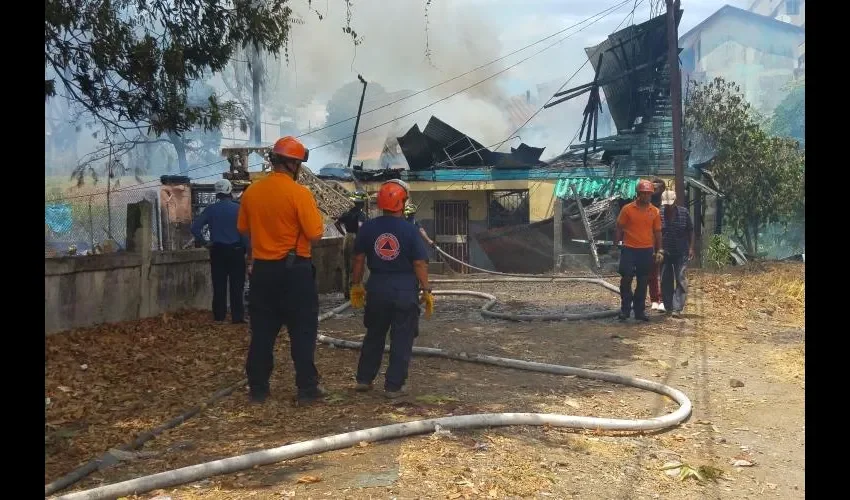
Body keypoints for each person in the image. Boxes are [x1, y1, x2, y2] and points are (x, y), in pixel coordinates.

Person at [237, 136, 326, 404]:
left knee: (262, 333)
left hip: (262, 272)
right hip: (294, 271)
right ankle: (307, 390)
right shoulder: (300, 194)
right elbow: (315, 232)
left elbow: (243, 228)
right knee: (302, 332)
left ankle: (258, 389)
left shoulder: (252, 192)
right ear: (293, 164)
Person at [349, 180, 434, 399]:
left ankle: (364, 379)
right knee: (402, 337)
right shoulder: (410, 229)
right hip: (404, 288)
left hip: (377, 286)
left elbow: (358, 259)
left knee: (374, 334)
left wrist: (356, 284)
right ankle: (393, 386)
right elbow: (419, 263)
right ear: (402, 203)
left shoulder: (368, 227)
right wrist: (426, 289)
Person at [191, 179, 249, 324]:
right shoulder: (238, 209)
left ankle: (219, 316)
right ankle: (237, 317)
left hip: (217, 251)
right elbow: (245, 232)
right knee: (237, 285)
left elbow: (195, 227)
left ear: (217, 193)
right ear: (230, 190)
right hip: (236, 251)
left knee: (219, 285)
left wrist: (205, 242)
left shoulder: (211, 209)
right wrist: (248, 250)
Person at [615, 179, 663, 322]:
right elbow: (619, 227)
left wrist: (659, 250)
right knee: (626, 279)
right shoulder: (627, 209)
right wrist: (615, 244)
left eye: (648, 194)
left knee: (643, 281)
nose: (646, 196)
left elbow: (658, 232)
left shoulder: (654, 211)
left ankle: (639, 311)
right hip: (629, 249)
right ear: (638, 194)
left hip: (646, 250)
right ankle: (625, 310)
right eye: (643, 193)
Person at [659, 190, 695, 318]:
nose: (668, 206)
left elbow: (690, 230)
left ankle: (677, 308)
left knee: (680, 278)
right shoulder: (659, 213)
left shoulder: (684, 213)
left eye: (670, 204)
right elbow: (656, 233)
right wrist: (657, 250)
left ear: (675, 201)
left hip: (681, 251)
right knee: (665, 280)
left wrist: (691, 248)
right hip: (665, 252)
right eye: (666, 204)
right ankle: (668, 306)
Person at [336, 191, 369, 299]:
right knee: (357, 265)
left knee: (346, 265)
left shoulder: (347, 213)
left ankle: (346, 292)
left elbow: (336, 223)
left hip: (347, 238)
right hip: (356, 238)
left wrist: (344, 234)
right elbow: (360, 227)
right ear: (362, 203)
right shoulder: (361, 215)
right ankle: (355, 291)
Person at [648, 177, 666, 312]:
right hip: (649, 243)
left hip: (665, 242)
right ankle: (654, 299)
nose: (655, 190)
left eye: (658, 188)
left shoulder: (666, 206)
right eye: (653, 188)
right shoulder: (646, 207)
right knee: (652, 273)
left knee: (665, 273)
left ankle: (664, 299)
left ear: (663, 189)